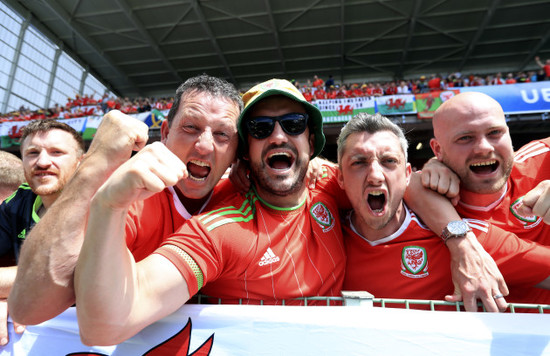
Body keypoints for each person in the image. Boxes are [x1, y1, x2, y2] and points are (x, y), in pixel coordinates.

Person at [74, 78, 347, 345]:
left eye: (293, 125)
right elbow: (104, 326)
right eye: (260, 128)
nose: (278, 136)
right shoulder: (221, 229)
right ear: (243, 151)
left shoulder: (333, 183)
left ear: (311, 143)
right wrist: (108, 204)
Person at [8, 74, 243, 325]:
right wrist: (94, 163)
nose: (204, 146)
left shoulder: (245, 198)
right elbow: (29, 307)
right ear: (165, 133)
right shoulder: (126, 195)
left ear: (236, 150)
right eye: (190, 127)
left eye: (222, 135)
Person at [338, 113, 550, 309]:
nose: (375, 176)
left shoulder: (468, 238)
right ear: (339, 177)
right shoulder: (328, 230)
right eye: (359, 162)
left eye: (389, 161)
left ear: (408, 175)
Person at [422, 91, 550, 304]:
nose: (484, 147)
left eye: (494, 133)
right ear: (438, 149)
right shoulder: (424, 206)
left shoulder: (542, 159)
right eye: (465, 138)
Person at [0, 119, 84, 345]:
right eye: (33, 153)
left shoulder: (103, 200)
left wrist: (12, 293)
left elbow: (67, 277)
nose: (43, 162)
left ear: (80, 162)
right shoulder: (16, 202)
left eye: (56, 152)